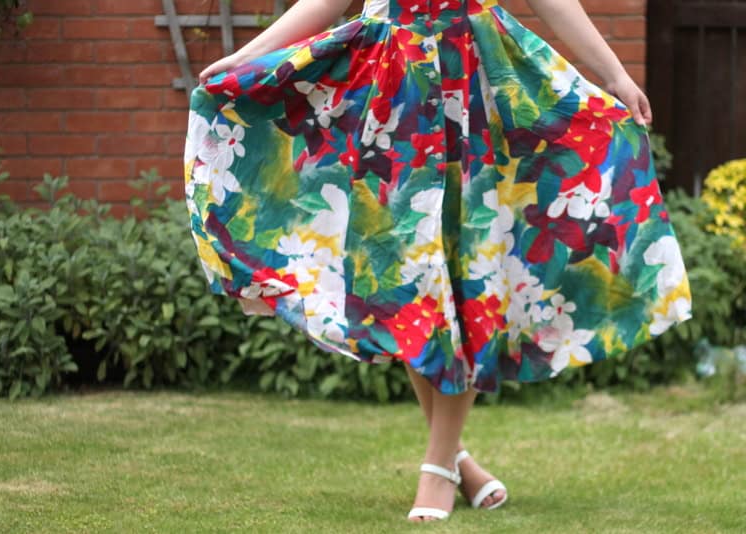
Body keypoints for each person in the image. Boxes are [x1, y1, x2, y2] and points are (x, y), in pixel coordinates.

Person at [186, 0, 693, 522]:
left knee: (467, 266)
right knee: (407, 276)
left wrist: (615, 75)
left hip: (477, 85)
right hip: (393, 94)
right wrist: (249, 55)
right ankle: (455, 457)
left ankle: (438, 468)